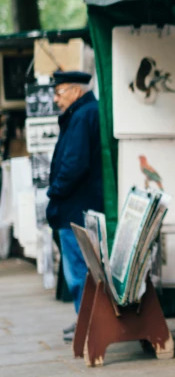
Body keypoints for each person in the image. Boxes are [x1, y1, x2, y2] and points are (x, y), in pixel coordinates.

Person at [46, 71, 103, 343]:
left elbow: (74, 164)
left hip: (76, 206)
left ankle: (89, 323)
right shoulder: (85, 112)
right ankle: (85, 318)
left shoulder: (82, 115)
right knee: (82, 268)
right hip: (80, 205)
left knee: (79, 270)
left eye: (59, 92)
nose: (56, 99)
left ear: (75, 91)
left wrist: (55, 191)